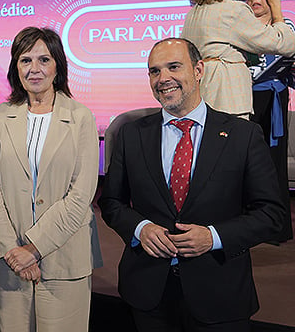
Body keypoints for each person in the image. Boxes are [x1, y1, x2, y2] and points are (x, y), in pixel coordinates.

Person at [98, 37, 285, 331]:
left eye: (174, 67)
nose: (163, 79)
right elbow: (111, 203)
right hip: (148, 293)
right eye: (154, 71)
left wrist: (214, 237)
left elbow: (272, 215)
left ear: (198, 70)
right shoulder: (131, 134)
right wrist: (139, 228)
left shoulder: (243, 135)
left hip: (220, 294)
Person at [0, 26, 103, 331]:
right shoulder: (0, 116)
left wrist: (33, 249)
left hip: (65, 259)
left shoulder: (81, 117)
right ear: (15, 67)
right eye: (25, 60)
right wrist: (14, 250)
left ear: (58, 66)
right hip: (10, 260)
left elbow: (81, 194)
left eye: (44, 60)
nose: (34, 69)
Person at [181, 0, 295, 118]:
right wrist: (277, 10)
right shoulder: (233, 9)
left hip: (200, 95)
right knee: (233, 143)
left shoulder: (193, 13)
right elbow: (285, 44)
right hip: (226, 97)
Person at [247, 0, 294, 244]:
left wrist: (278, 12)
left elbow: (289, 52)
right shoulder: (241, 27)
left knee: (272, 166)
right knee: (245, 164)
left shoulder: (285, 25)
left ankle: (275, 228)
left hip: (273, 100)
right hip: (243, 99)